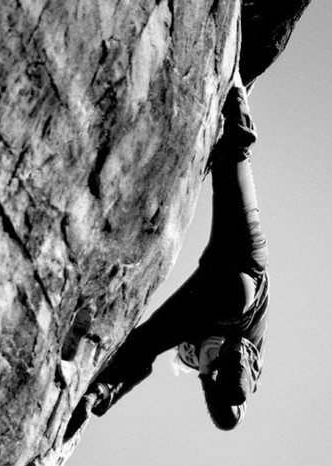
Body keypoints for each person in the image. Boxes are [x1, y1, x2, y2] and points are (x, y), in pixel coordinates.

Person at [79, 75, 269, 431]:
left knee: (235, 153)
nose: (200, 355)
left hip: (232, 282)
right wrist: (215, 370)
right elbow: (230, 412)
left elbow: (142, 348)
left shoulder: (193, 327)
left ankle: (236, 92)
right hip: (240, 286)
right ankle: (232, 359)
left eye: (201, 359)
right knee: (234, 152)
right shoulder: (215, 339)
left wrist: (102, 392)